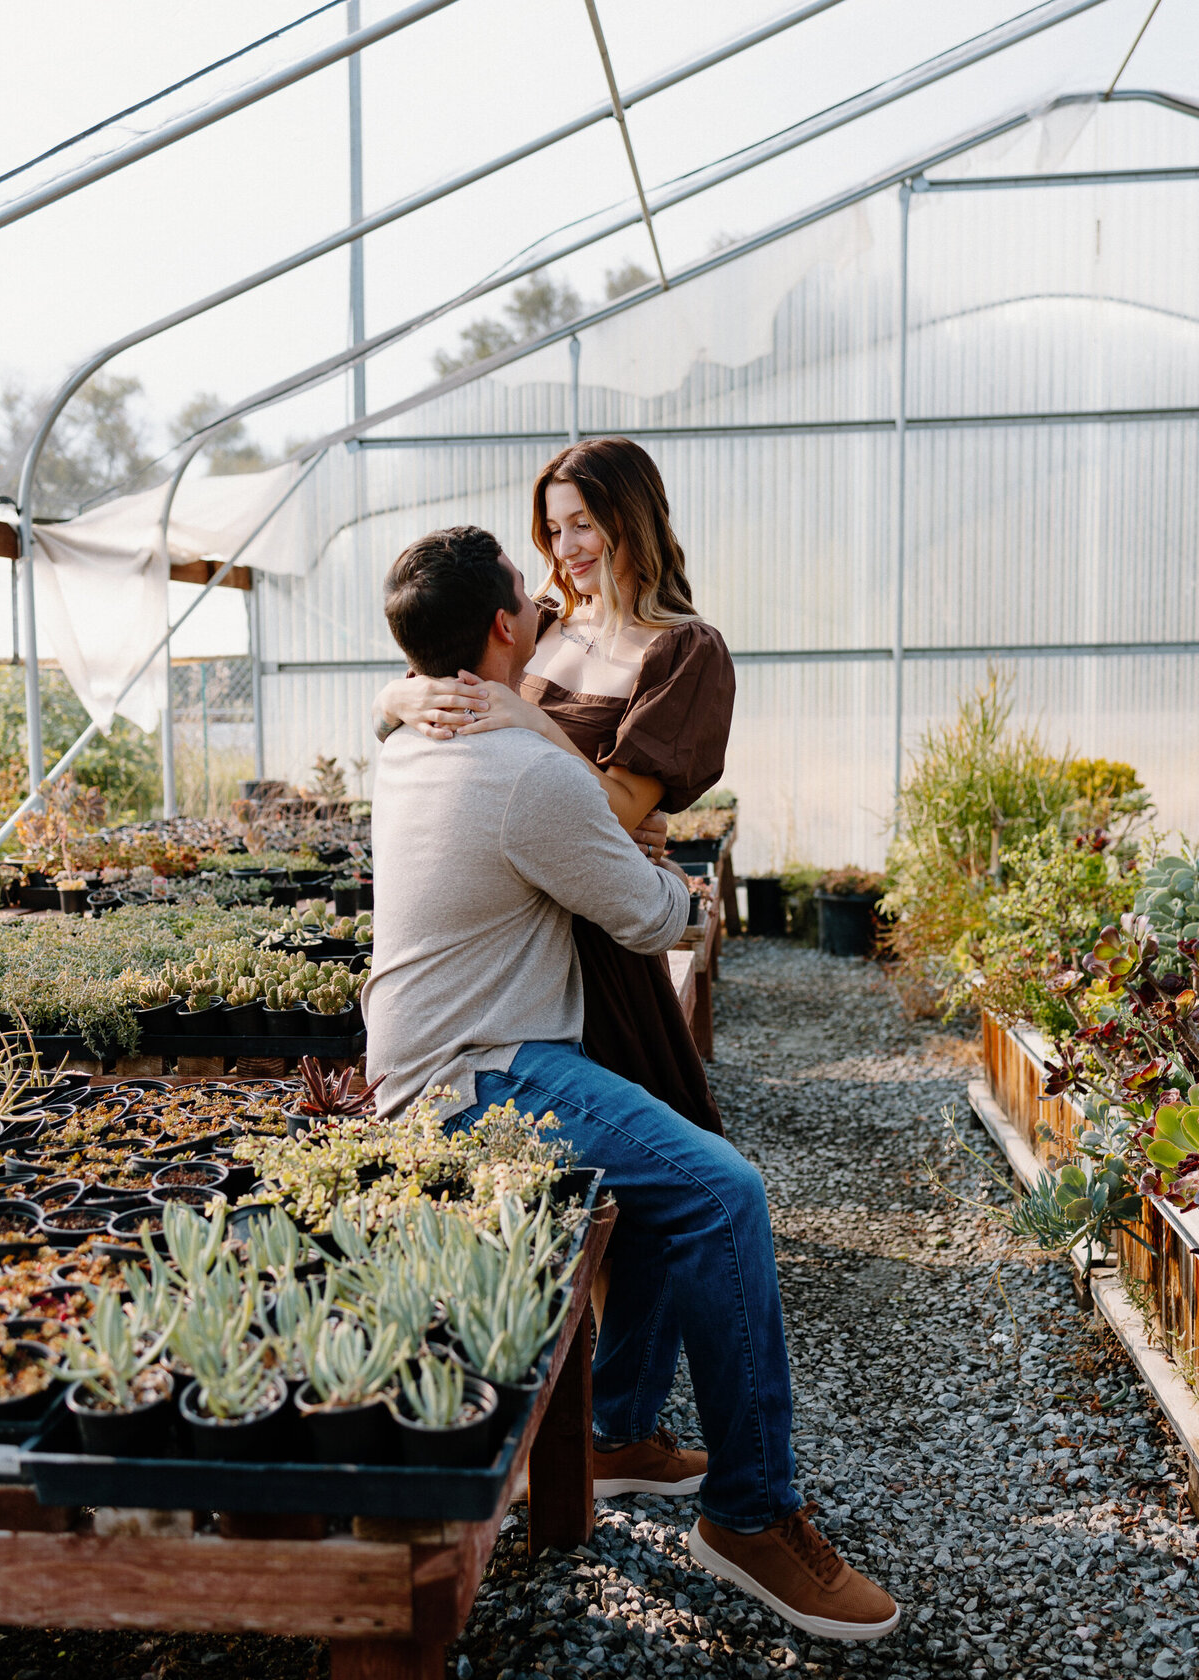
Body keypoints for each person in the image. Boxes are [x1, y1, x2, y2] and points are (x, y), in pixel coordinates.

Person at [363, 524, 900, 1642]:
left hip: (437, 1053)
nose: (549, 574)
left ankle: (614, 1433)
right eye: (528, 577)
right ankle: (752, 1515)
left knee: (656, 1172)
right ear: (507, 625)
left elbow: (545, 824)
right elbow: (654, 913)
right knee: (721, 1192)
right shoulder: (518, 770)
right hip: (482, 1077)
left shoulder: (415, 738)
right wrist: (669, 880)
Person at [371, 436, 731, 1137]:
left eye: (584, 524)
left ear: (635, 518)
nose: (566, 547)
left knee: (652, 1157)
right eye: (554, 528)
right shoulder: (540, 618)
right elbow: (426, 681)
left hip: (600, 937)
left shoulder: (685, 650)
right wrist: (394, 700)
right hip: (512, 936)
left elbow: (627, 810)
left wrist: (537, 723)